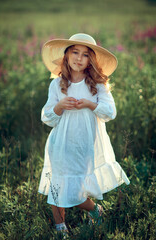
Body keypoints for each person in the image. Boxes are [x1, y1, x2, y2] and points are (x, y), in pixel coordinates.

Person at [38, 33, 130, 235]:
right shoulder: (57, 84)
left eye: (85, 54)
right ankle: (60, 228)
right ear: (66, 56)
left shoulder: (97, 85)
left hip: (85, 143)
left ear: (91, 60)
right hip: (60, 142)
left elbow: (110, 112)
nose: (79, 58)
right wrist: (60, 106)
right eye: (75, 52)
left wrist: (90, 104)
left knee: (76, 188)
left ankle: (95, 209)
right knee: (57, 183)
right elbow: (47, 117)